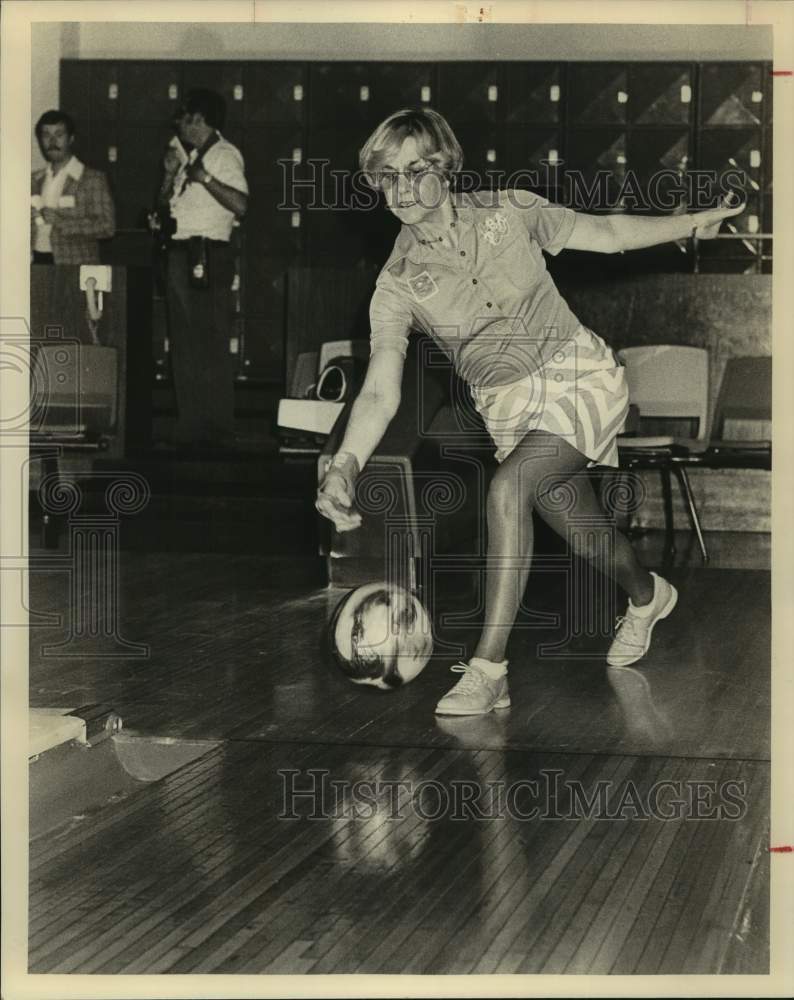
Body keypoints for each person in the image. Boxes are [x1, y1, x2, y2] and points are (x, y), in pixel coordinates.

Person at [316, 108, 744, 718]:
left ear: (445, 165)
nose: (401, 190)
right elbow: (381, 391)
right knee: (587, 535)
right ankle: (649, 596)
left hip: (579, 374)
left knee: (507, 489)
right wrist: (344, 465)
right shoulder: (397, 283)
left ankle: (488, 670)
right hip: (508, 408)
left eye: (414, 170)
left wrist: (698, 221)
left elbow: (610, 233)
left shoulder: (509, 210)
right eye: (386, 177)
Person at [160, 88, 249, 452]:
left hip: (206, 254)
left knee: (210, 339)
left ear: (202, 120)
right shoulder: (187, 156)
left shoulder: (224, 155)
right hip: (182, 252)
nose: (181, 124)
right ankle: (191, 424)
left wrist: (204, 178)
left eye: (188, 117)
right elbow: (167, 204)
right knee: (185, 342)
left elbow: (241, 204)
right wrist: (170, 176)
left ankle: (217, 427)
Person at [31, 110, 115, 264]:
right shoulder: (34, 179)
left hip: (73, 265)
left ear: (71, 138)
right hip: (36, 262)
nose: (52, 141)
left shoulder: (92, 179)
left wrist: (61, 222)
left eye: (59, 134)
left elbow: (107, 226)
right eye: (46, 135)